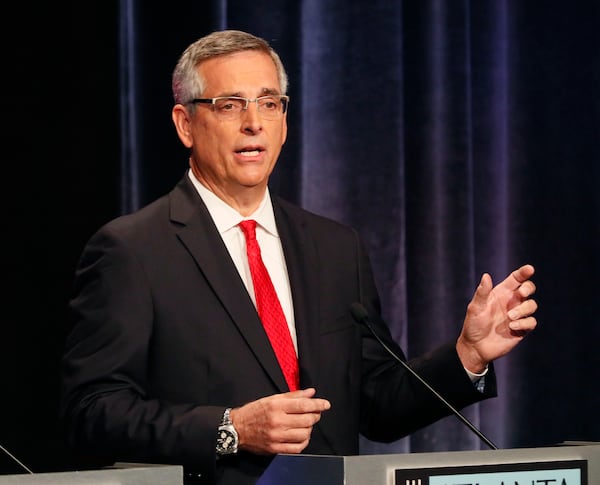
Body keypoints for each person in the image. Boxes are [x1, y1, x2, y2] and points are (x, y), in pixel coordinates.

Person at [59, 29, 538, 485]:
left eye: (269, 103)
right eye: (230, 105)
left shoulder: (333, 247)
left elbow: (376, 403)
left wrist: (467, 355)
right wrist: (230, 429)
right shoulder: (134, 250)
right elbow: (91, 411)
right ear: (186, 125)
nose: (253, 122)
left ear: (285, 123)